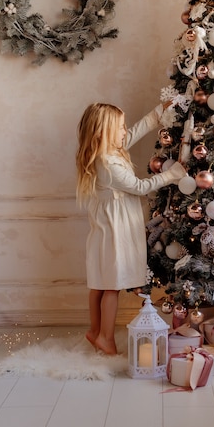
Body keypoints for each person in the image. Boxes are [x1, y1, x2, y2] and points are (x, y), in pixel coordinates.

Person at [76, 102, 186, 355]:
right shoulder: (108, 163)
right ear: (104, 132)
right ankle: (105, 337)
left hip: (104, 230)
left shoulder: (105, 151)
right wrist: (172, 174)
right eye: (120, 128)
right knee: (111, 286)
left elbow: (135, 131)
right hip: (116, 230)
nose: (125, 131)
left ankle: (95, 331)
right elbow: (139, 187)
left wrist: (156, 113)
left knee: (100, 284)